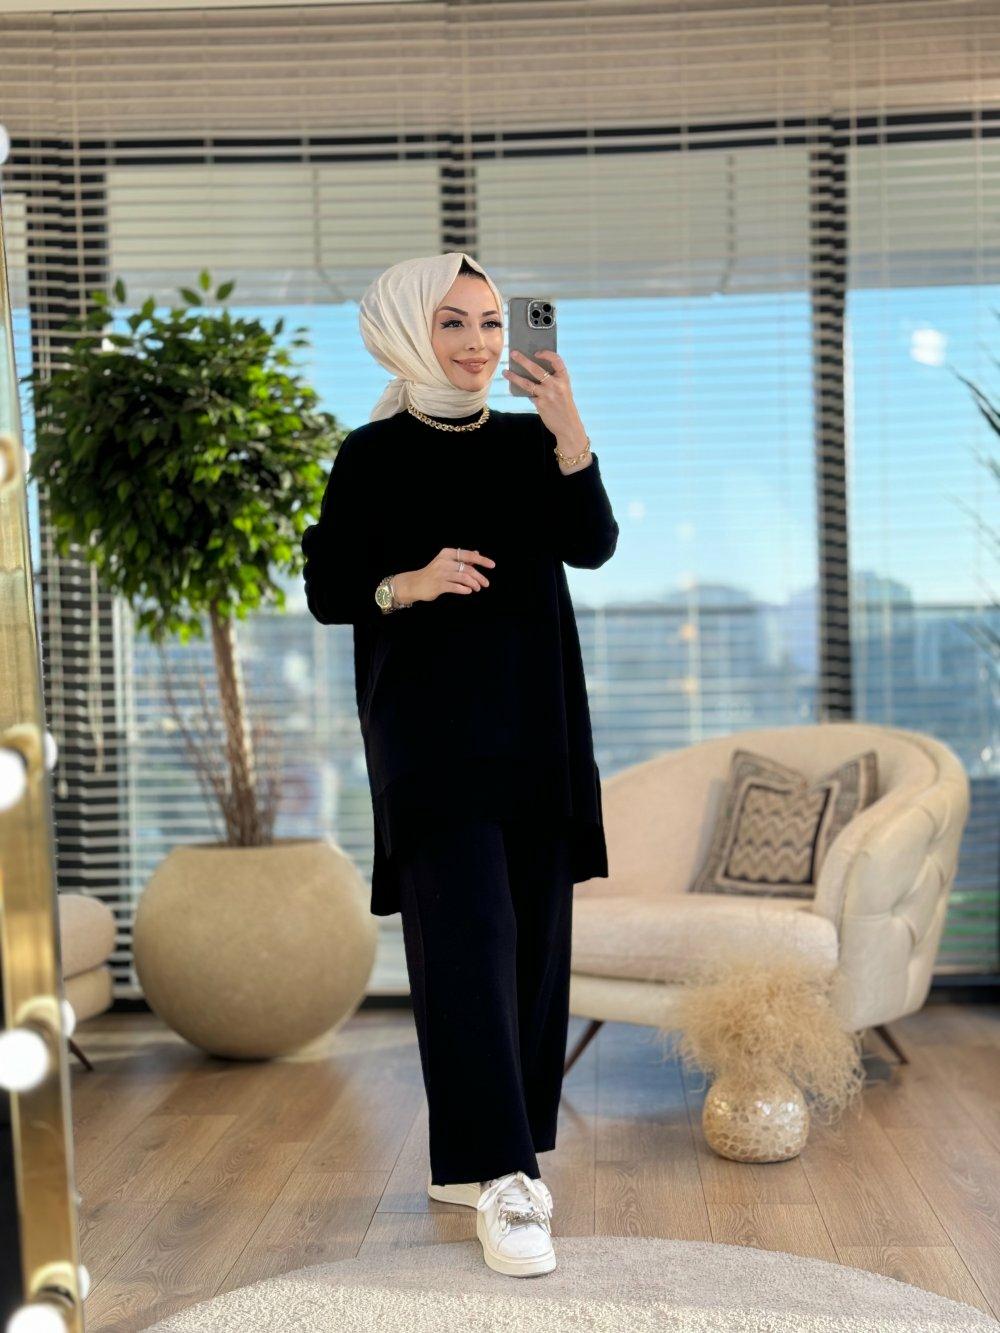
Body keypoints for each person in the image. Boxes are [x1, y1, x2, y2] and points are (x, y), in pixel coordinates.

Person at [301, 251, 618, 1277]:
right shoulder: (371, 454)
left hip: (536, 728)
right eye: (453, 323)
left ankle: (487, 1158)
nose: (478, 344)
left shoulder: (532, 443)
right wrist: (409, 581)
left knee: (531, 948)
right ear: (407, 330)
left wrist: (569, 432)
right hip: (429, 739)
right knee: (468, 942)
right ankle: (506, 1179)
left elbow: (594, 544)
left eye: (489, 322)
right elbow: (329, 588)